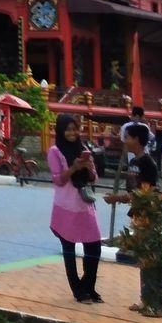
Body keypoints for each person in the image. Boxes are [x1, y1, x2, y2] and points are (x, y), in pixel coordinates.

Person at [105, 123, 162, 318]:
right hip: (139, 214)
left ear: (137, 140)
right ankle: (146, 300)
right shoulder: (134, 162)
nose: (125, 140)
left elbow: (145, 194)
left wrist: (117, 198)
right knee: (144, 257)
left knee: (152, 258)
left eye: (128, 137)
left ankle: (159, 305)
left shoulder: (147, 164)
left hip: (149, 215)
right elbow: (132, 191)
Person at [48, 114, 103, 304]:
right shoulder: (55, 151)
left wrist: (88, 166)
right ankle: (78, 291)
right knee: (69, 249)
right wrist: (73, 168)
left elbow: (94, 178)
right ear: (61, 131)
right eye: (68, 129)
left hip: (85, 205)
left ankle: (88, 287)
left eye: (75, 129)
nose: (72, 133)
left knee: (94, 246)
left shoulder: (84, 149)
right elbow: (58, 179)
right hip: (65, 206)